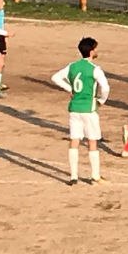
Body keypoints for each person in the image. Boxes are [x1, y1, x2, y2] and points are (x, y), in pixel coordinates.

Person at [51, 37, 110, 186]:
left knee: (74, 140)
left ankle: (73, 175)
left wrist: (70, 89)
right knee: (92, 142)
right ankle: (95, 177)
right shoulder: (95, 69)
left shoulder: (72, 66)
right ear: (91, 51)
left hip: (74, 108)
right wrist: (101, 101)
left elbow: (55, 77)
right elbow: (106, 88)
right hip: (89, 109)